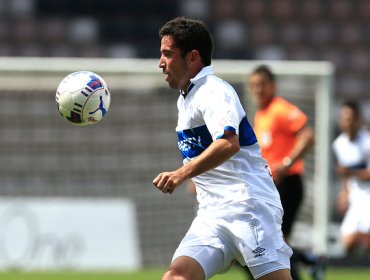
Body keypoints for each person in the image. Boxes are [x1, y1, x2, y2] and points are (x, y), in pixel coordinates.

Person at [153, 17, 293, 280]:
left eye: (167, 54)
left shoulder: (214, 91)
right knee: (176, 277)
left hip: (247, 206)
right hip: (212, 216)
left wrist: (181, 174)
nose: (161, 63)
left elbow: (229, 143)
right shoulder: (187, 99)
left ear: (192, 57)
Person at [248, 65, 319, 280]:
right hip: (273, 186)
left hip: (288, 183)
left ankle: (308, 261)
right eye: (254, 85)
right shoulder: (261, 114)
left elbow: (308, 135)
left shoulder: (280, 109)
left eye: (262, 84)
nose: (258, 89)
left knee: (268, 243)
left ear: (272, 85)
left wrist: (287, 162)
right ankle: (310, 260)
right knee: (272, 243)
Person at [332, 100, 370, 255]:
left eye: (350, 118)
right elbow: (346, 177)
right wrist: (344, 194)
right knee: (347, 244)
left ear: (358, 119)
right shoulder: (339, 144)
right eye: (343, 118)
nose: (346, 122)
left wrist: (349, 172)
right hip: (356, 198)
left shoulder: (367, 142)